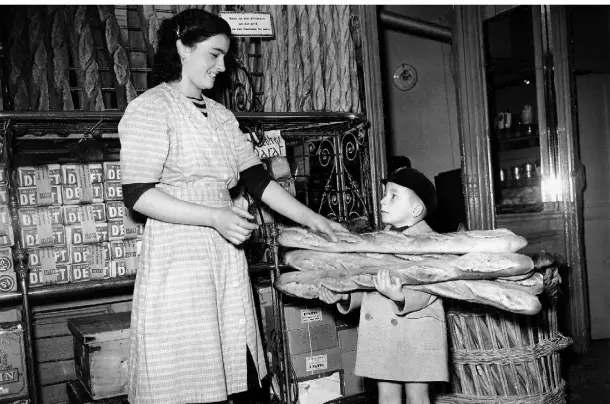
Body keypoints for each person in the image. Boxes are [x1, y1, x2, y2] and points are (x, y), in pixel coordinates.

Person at [118, 9, 346, 404]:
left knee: (238, 363)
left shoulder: (221, 115)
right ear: (181, 49)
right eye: (213, 54)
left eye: (225, 57)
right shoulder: (150, 109)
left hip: (225, 253)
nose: (222, 67)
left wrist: (317, 221)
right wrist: (213, 216)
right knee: (188, 370)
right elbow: (137, 193)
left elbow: (258, 181)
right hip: (180, 256)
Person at [319, 167, 449, 404]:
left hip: (417, 335)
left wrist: (400, 296)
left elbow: (432, 285)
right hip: (382, 335)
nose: (383, 200)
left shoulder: (431, 244)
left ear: (417, 209)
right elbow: (369, 282)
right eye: (385, 194)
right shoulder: (378, 242)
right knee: (386, 395)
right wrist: (345, 295)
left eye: (393, 195)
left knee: (417, 395)